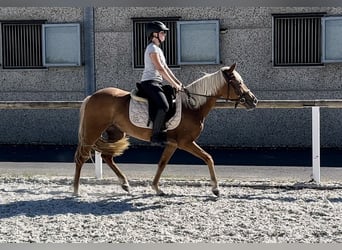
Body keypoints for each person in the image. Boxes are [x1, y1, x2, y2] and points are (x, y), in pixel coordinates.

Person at [140, 21, 183, 146]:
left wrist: (178, 83)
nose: (164, 35)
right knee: (164, 106)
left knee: (170, 98)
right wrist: (174, 84)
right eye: (162, 32)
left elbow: (167, 69)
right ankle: (155, 135)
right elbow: (160, 69)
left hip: (157, 82)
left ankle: (164, 128)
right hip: (149, 82)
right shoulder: (152, 48)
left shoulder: (158, 49)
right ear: (154, 34)